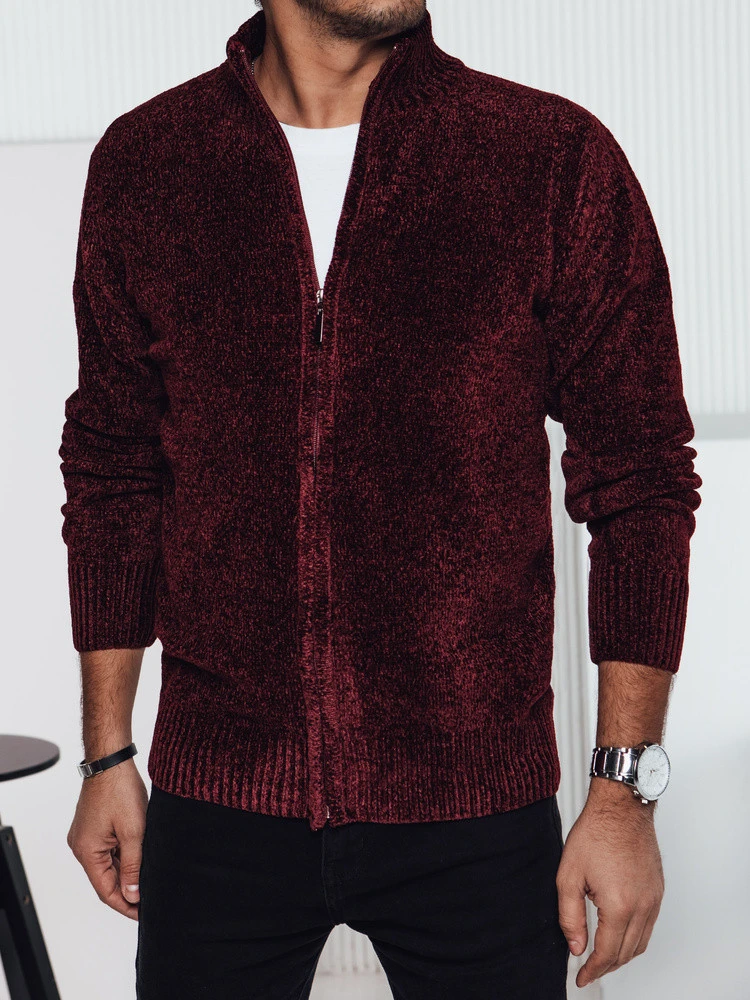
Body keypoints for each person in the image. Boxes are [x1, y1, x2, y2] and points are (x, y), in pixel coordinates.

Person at [60, 1, 702, 997]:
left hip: (475, 802)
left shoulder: (546, 158)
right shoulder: (149, 163)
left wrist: (623, 794)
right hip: (219, 793)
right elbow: (113, 468)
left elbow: (642, 475)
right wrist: (108, 755)